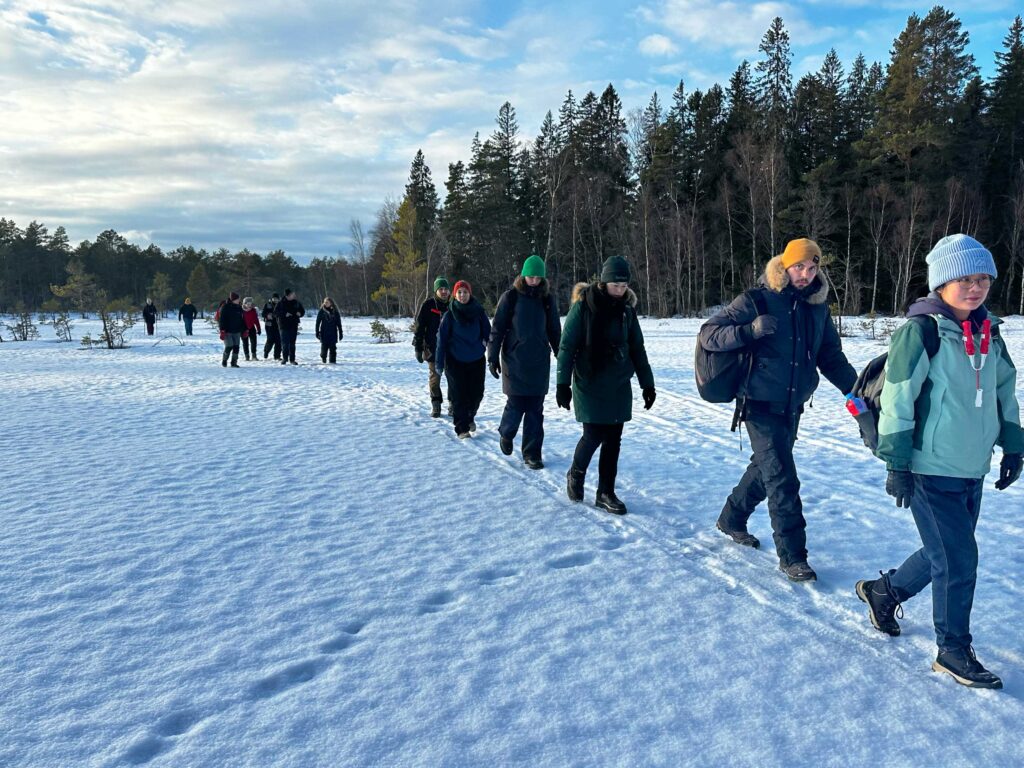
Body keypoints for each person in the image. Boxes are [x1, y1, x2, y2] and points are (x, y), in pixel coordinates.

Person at [855, 234, 1023, 689]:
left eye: (983, 278)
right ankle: (951, 650)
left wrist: (1013, 445)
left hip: (972, 466)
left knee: (943, 552)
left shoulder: (991, 332)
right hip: (928, 468)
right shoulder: (921, 332)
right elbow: (899, 397)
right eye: (964, 279)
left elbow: (1005, 391)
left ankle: (881, 592)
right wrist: (897, 462)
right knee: (959, 558)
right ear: (942, 283)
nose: (975, 287)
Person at [698, 238, 856, 582]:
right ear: (784, 266)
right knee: (782, 478)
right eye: (799, 266)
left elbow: (830, 356)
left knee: (765, 469)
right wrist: (747, 331)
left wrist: (855, 391)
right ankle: (793, 557)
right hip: (758, 404)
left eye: (813, 267)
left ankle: (731, 518)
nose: (806, 274)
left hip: (793, 405)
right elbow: (709, 334)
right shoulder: (757, 300)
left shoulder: (817, 308)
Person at [556, 256, 655, 515]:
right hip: (589, 379)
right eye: (615, 285)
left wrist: (648, 384)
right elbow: (566, 347)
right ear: (604, 282)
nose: (620, 290)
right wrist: (562, 384)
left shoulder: (627, 312)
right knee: (594, 434)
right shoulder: (584, 307)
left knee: (614, 438)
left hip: (618, 382)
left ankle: (605, 492)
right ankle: (576, 473)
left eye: (624, 286)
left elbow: (637, 348)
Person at [487, 255, 561, 469]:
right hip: (515, 359)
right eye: (531, 276)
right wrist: (492, 357)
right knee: (517, 403)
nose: (534, 280)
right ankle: (506, 432)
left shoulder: (547, 299)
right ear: (523, 275)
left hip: (539, 361)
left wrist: (562, 355)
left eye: (539, 277)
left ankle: (532, 454)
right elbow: (497, 328)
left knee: (535, 410)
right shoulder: (510, 297)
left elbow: (554, 330)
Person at [436, 280, 491, 439]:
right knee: (459, 395)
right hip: (455, 361)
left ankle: (469, 416)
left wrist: (492, 354)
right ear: (454, 294)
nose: (462, 295)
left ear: (470, 293)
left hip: (476, 359)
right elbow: (442, 340)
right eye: (459, 292)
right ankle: (462, 428)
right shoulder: (449, 315)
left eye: (465, 292)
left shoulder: (479, 312)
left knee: (476, 393)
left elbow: (488, 334)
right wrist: (439, 363)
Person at [413, 277, 452, 417]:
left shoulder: (454, 304)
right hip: (432, 348)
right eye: (440, 289)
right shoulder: (428, 305)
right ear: (436, 291)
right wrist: (418, 347)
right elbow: (419, 327)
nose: (443, 292)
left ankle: (452, 404)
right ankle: (436, 404)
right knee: (435, 378)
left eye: (446, 289)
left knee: (452, 378)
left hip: (451, 349)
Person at [275, 288, 305, 365]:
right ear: (288, 295)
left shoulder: (297, 302)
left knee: (292, 343)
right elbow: (275, 313)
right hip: (283, 325)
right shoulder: (280, 303)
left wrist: (300, 313)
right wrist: (284, 314)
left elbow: (302, 311)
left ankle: (292, 359)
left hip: (293, 325)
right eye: (292, 294)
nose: (294, 295)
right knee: (285, 343)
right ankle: (285, 358)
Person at [218, 292, 245, 367]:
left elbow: (242, 319)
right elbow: (222, 320)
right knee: (229, 346)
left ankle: (234, 362)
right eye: (237, 299)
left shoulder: (239, 307)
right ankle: (224, 360)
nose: (239, 300)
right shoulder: (225, 307)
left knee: (236, 347)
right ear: (233, 299)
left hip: (237, 331)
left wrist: (244, 329)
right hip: (227, 331)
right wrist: (222, 330)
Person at [316, 297, 343, 364]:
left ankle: (332, 361)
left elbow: (338, 323)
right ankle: (323, 357)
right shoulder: (322, 311)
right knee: (324, 349)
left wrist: (340, 333)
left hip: (333, 332)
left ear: (331, 303)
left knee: (333, 349)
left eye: (327, 302)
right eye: (325, 302)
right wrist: (317, 332)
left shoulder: (335, 312)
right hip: (324, 332)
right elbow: (318, 322)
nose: (325, 303)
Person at [262, 293, 282, 360]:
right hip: (269, 325)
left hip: (278, 325)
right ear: (272, 298)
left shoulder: (281, 305)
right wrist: (267, 315)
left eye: (276, 298)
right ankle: (266, 351)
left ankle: (277, 356)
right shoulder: (267, 305)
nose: (275, 300)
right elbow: (263, 313)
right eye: (274, 298)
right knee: (270, 340)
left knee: (278, 341)